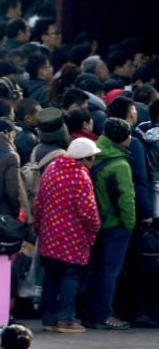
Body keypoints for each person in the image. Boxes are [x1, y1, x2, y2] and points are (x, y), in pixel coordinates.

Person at [35, 137, 100, 333]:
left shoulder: (51, 170)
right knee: (70, 276)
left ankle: (49, 319)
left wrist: (38, 226)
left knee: (51, 277)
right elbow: (87, 210)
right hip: (72, 236)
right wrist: (95, 227)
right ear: (85, 159)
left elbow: (39, 201)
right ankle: (66, 320)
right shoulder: (80, 176)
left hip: (49, 233)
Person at [84, 117, 136, 331]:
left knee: (94, 269)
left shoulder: (93, 154)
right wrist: (129, 224)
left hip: (96, 222)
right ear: (122, 139)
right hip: (115, 225)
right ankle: (104, 315)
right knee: (110, 272)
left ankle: (88, 314)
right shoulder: (119, 164)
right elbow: (127, 198)